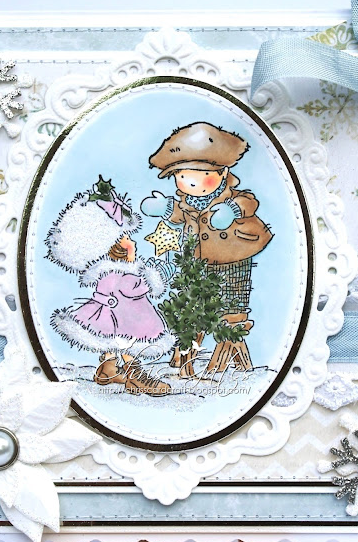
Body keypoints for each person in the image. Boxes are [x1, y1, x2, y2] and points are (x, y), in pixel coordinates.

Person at [141, 122, 273, 371]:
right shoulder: (187, 203)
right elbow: (180, 215)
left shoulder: (232, 197)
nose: (191, 183)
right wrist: (165, 208)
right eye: (182, 177)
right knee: (193, 307)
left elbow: (249, 202)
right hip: (198, 265)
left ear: (223, 173)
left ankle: (222, 358)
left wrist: (231, 210)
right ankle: (184, 354)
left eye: (201, 176)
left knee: (229, 306)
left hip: (231, 261)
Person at [46, 176, 174, 395]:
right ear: (117, 246)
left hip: (109, 316)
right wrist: (152, 275)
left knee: (112, 341)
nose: (132, 241)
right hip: (126, 319)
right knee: (129, 341)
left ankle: (108, 369)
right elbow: (137, 288)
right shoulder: (123, 274)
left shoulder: (104, 272)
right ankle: (136, 376)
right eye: (126, 238)